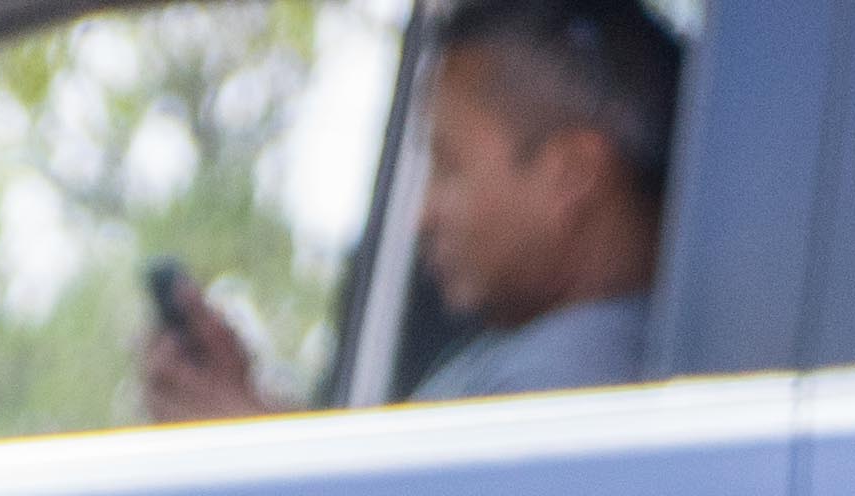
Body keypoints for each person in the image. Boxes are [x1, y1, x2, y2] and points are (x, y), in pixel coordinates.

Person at [141, 0, 681, 421]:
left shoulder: (571, 389)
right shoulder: (555, 365)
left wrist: (246, 436)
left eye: (448, 166)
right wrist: (252, 410)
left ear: (572, 175)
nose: (421, 215)